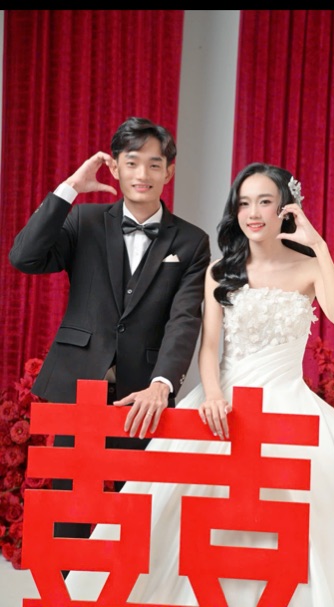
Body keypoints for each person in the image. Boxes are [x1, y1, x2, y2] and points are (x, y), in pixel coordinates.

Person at [59, 163, 334, 605]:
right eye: (244, 203)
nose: (253, 213)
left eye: (265, 202)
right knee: (176, 511)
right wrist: (214, 395)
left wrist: (319, 245)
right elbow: (208, 347)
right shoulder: (221, 271)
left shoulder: (309, 267)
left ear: (286, 209)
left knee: (305, 513)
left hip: (288, 402)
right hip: (221, 403)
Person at [9, 117, 211, 540]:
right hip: (78, 383)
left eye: (154, 164)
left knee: (132, 509)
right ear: (114, 167)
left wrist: (162, 384)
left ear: (169, 172)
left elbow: (184, 319)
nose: (142, 174)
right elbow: (25, 257)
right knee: (69, 505)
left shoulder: (191, 241)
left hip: (142, 393)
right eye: (132, 162)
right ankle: (67, 582)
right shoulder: (83, 221)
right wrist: (70, 189)